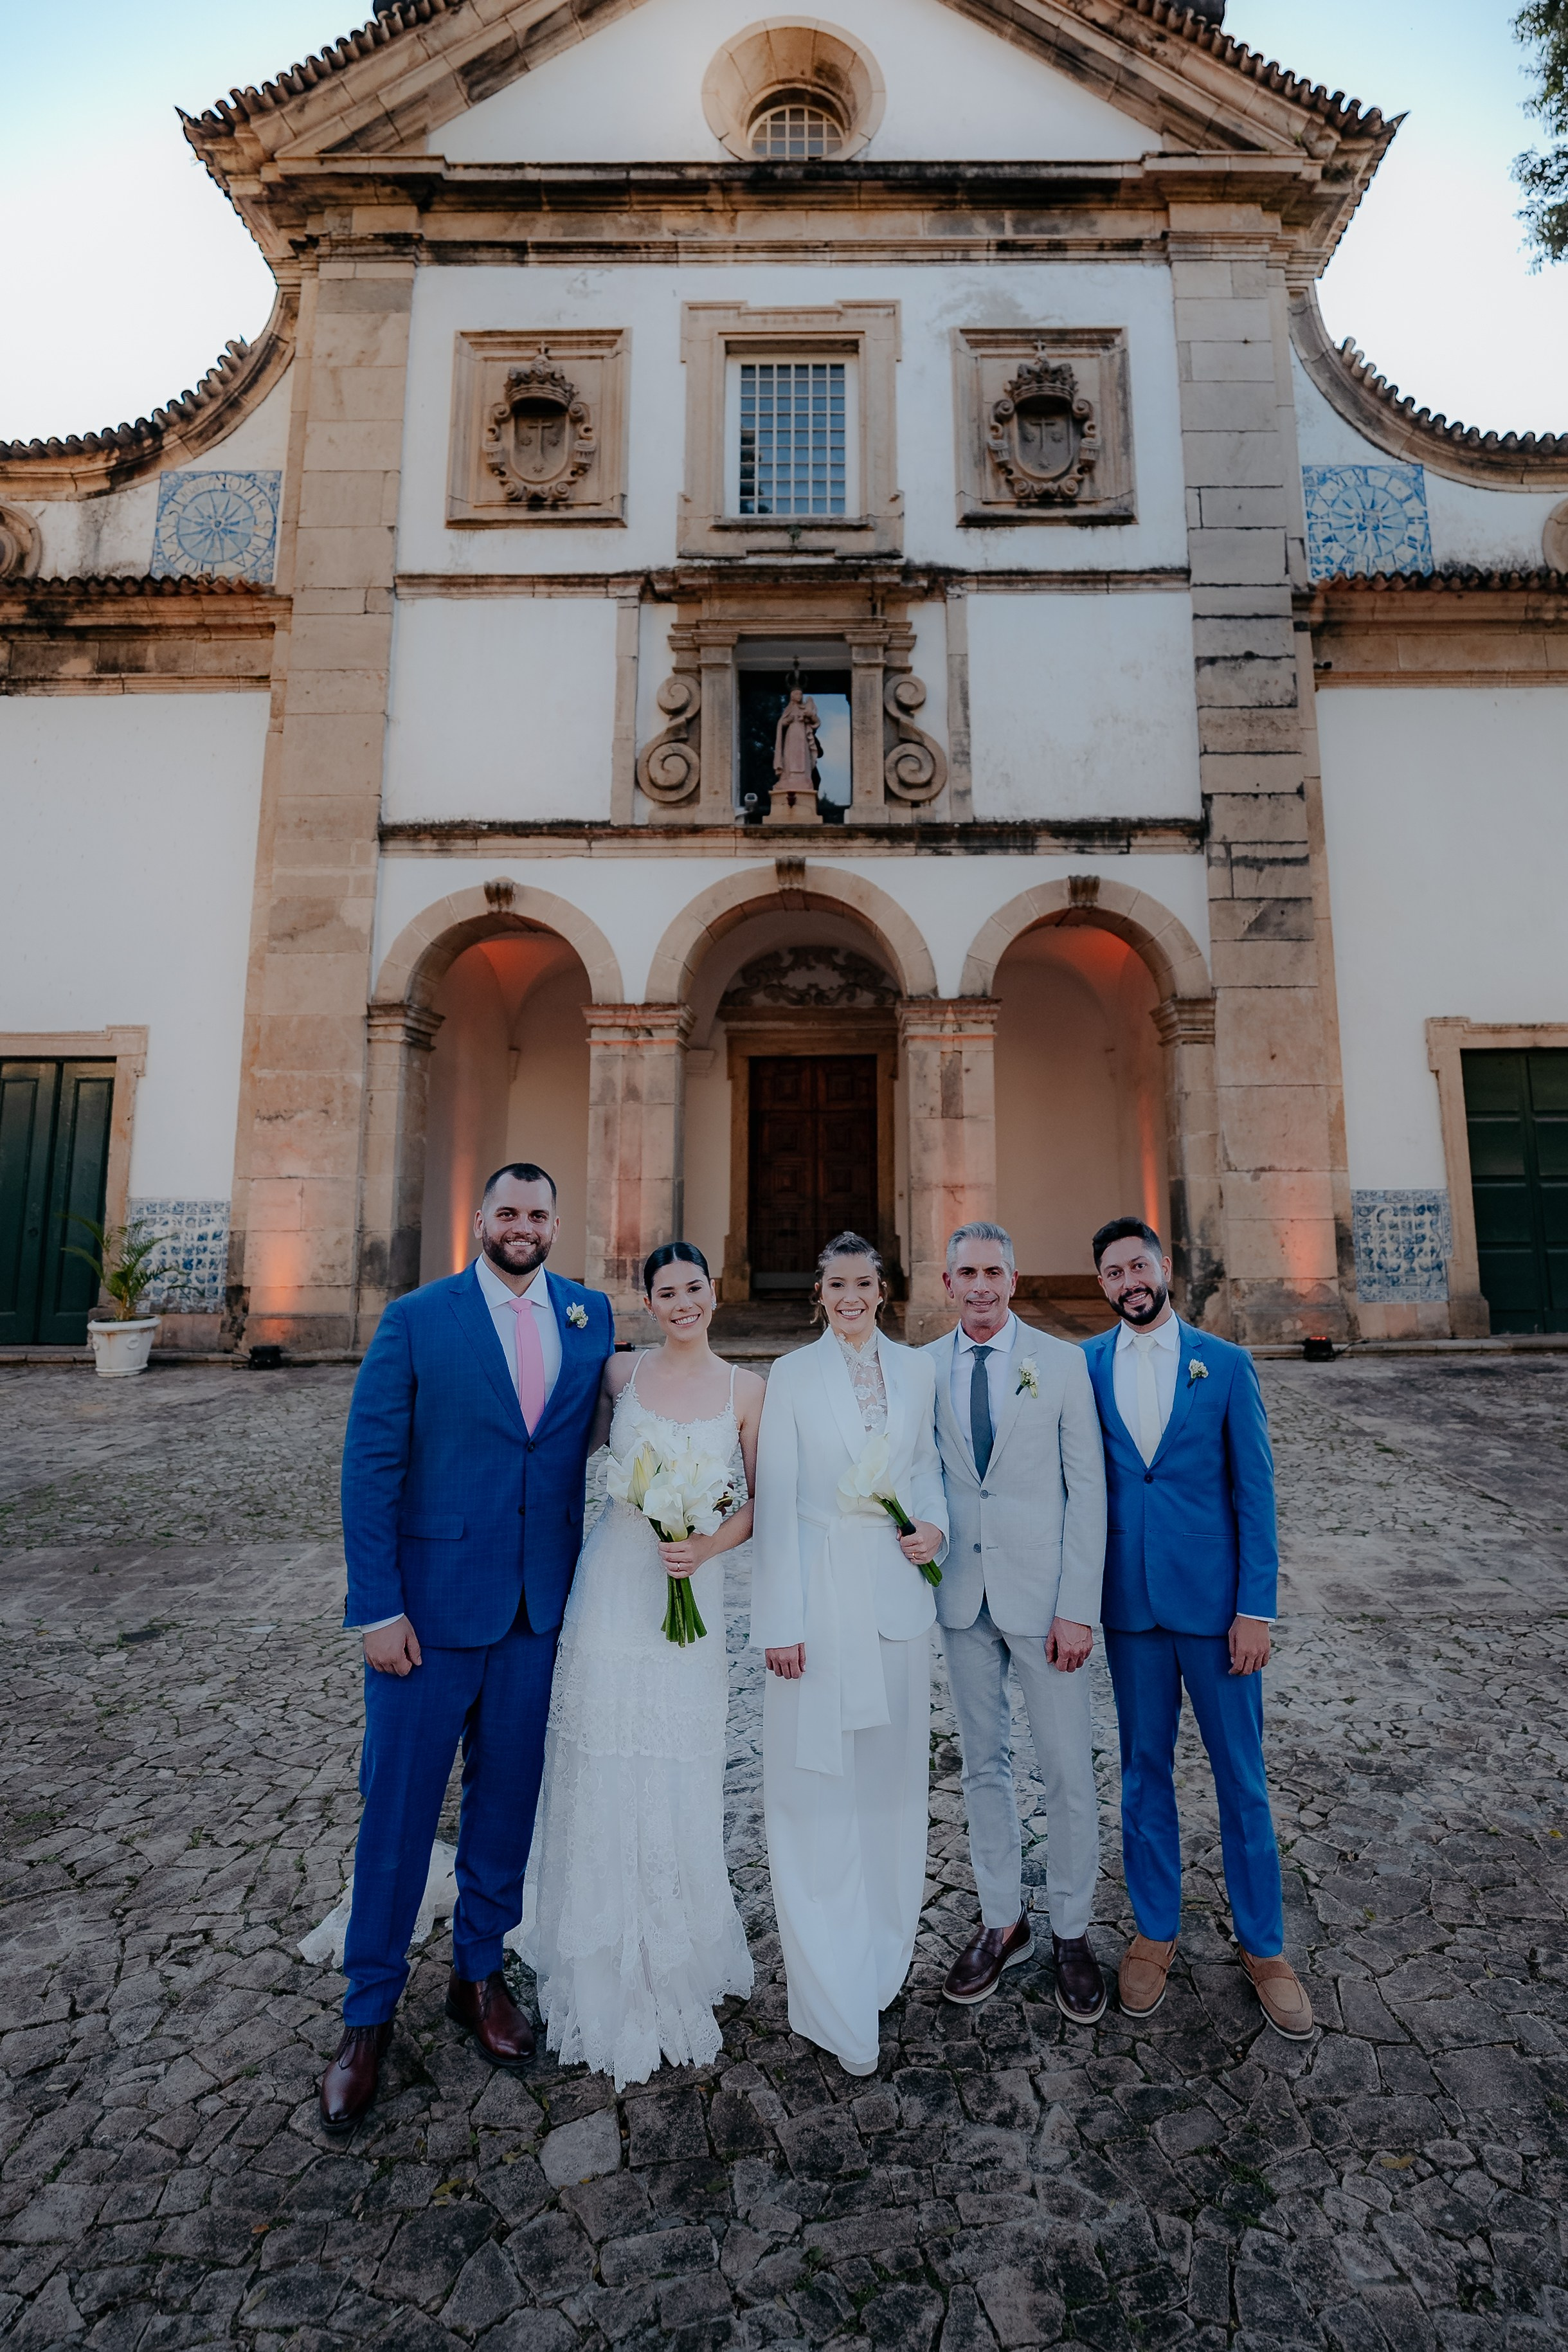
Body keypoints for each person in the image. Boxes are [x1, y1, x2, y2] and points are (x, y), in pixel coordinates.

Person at [320, 1162, 615, 2131]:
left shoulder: (589, 1317)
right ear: (482, 1218)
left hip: (536, 1609)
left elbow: (587, 1443)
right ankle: (367, 2016)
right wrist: (377, 1608)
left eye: (539, 1213)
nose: (523, 1225)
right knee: (399, 1812)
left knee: (506, 1803)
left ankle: (477, 1973)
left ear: (555, 1223)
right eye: (508, 1211)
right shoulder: (417, 1319)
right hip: (428, 1614)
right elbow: (370, 1467)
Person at [521, 1243, 764, 2090]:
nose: (683, 1301)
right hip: (613, 1586)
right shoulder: (618, 1375)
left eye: (694, 1287)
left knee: (675, 1763)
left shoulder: (747, 1390)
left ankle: (671, 1943)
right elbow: (556, 1453)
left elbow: (759, 1504)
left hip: (690, 1595)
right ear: (649, 1302)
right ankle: (592, 1945)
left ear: (713, 1293)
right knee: (600, 1759)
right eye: (667, 1291)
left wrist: (704, 1546)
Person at [1083, 1217, 1313, 2040]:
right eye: (1114, 1272)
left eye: (1139, 1266)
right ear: (1102, 1284)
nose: (1130, 1282)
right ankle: (1154, 1930)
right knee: (1143, 1773)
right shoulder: (1085, 1365)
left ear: (1164, 1267)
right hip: (1131, 1608)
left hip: (1219, 1616)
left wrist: (1256, 1608)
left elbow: (1256, 1492)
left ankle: (1265, 1946)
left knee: (1241, 1778)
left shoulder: (1227, 1364)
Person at [752, 1233, 948, 2077]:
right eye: (836, 1284)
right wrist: (780, 1620)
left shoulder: (917, 1371)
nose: (850, 1296)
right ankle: (827, 1982)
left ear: (883, 1289)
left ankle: (880, 1955)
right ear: (819, 1293)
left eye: (863, 1282)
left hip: (895, 1602)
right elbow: (774, 1501)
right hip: (818, 1604)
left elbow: (927, 1467)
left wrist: (935, 1526)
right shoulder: (792, 1376)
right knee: (814, 1790)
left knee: (892, 1787)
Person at [924, 1222, 1108, 2022]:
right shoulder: (922, 1368)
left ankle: (1071, 1929)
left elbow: (1087, 1490)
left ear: (1014, 1278)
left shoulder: (1061, 1364)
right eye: (967, 1272)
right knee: (984, 1765)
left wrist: (1078, 1607)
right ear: (947, 1282)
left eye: (993, 1271)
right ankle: (1003, 1920)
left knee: (1066, 1768)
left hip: (1045, 1603)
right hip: (962, 1597)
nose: (981, 1285)